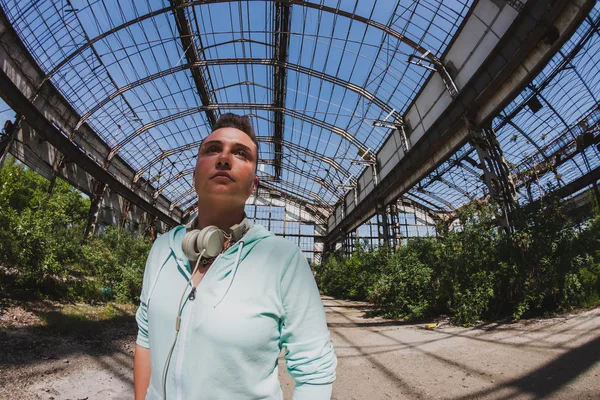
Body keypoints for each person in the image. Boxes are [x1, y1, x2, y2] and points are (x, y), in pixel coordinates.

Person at [133, 113, 337, 400]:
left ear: (253, 185)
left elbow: (315, 371)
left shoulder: (283, 260)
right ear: (194, 176)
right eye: (213, 149)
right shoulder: (163, 249)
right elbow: (146, 339)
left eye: (241, 154)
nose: (224, 158)